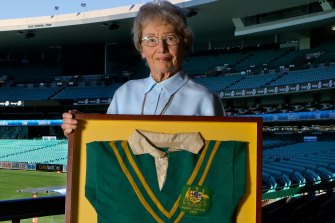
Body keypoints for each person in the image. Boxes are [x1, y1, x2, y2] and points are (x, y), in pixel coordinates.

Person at [61, 0, 225, 136]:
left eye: (170, 38)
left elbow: (216, 162)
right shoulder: (124, 93)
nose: (161, 48)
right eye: (151, 39)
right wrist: (78, 129)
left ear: (185, 44)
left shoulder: (205, 99)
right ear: (141, 49)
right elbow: (107, 145)